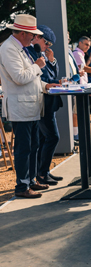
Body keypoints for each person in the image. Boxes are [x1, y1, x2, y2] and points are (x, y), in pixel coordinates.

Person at [0, 14, 59, 198]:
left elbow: (31, 80)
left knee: (33, 145)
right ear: (23, 33)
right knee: (24, 148)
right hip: (21, 109)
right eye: (32, 35)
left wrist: (45, 86)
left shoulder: (21, 48)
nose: (34, 38)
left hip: (30, 107)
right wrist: (37, 66)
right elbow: (20, 78)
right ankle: (22, 187)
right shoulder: (9, 48)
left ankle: (31, 180)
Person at [27, 25, 63, 185]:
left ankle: (43, 172)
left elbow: (52, 75)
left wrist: (52, 61)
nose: (47, 46)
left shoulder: (40, 54)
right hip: (41, 101)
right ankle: (42, 173)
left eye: (50, 44)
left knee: (43, 139)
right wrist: (55, 82)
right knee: (52, 137)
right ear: (36, 37)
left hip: (48, 102)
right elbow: (43, 79)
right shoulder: (32, 53)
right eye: (46, 42)